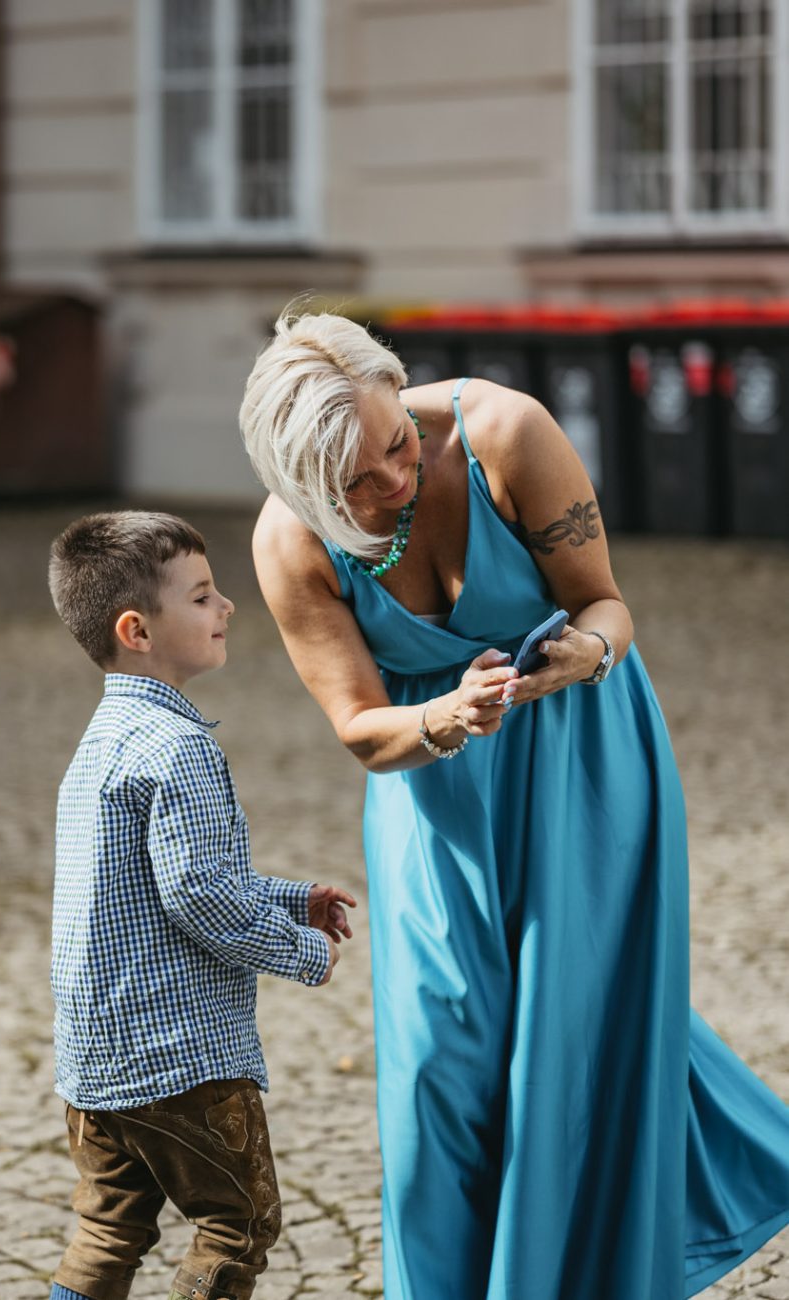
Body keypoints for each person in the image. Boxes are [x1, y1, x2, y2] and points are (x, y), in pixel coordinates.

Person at [238, 310, 789, 1299]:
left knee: (571, 1042)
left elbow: (604, 602)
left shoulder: (504, 434)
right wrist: (446, 717)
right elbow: (361, 729)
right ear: (302, 484)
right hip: (432, 795)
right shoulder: (290, 543)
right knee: (436, 1072)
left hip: (584, 760)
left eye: (396, 444)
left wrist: (590, 651)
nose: (394, 481)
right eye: (357, 482)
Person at [45, 510, 358, 1300]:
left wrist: (291, 900)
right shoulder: (177, 747)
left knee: (108, 1229)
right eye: (203, 596)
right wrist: (303, 952)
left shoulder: (101, 742)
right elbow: (197, 892)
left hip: (95, 1058)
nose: (226, 609)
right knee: (238, 1224)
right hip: (178, 1055)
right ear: (136, 629)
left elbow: (169, 882)